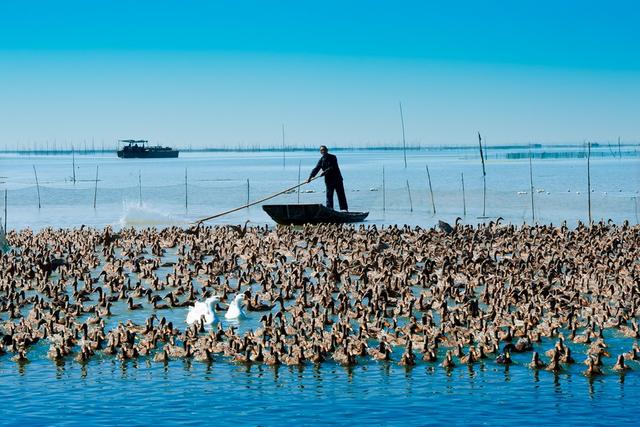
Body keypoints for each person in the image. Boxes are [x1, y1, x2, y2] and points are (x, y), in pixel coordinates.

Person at [308, 145, 348, 211]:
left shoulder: (333, 157)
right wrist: (310, 177)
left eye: (324, 150)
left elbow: (332, 167)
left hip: (337, 179)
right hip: (329, 180)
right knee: (329, 195)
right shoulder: (321, 160)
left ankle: (344, 209)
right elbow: (316, 169)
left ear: (327, 150)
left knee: (341, 194)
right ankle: (330, 209)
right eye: (321, 150)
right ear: (320, 152)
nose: (323, 151)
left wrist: (324, 172)